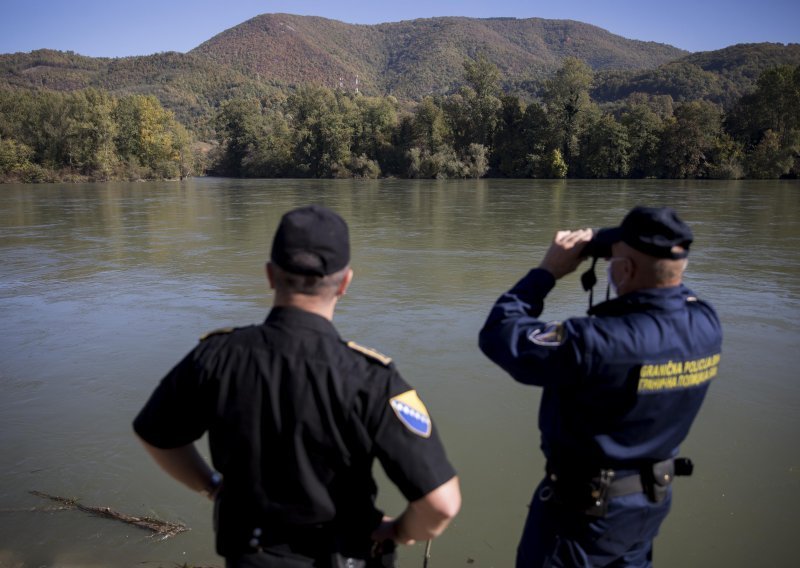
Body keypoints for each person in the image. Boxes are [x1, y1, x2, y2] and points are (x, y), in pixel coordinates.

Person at [134, 204, 460, 568]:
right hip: (341, 557)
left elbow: (155, 433)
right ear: (346, 282)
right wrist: (400, 532)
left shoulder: (216, 357)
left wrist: (212, 486)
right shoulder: (373, 379)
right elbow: (441, 504)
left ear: (270, 275)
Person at [478, 206, 722, 567]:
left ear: (624, 270)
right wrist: (607, 243)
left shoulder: (595, 341)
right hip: (646, 511)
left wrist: (547, 271)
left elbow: (499, 334)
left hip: (578, 522)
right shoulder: (706, 323)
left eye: (614, 262)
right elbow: (659, 279)